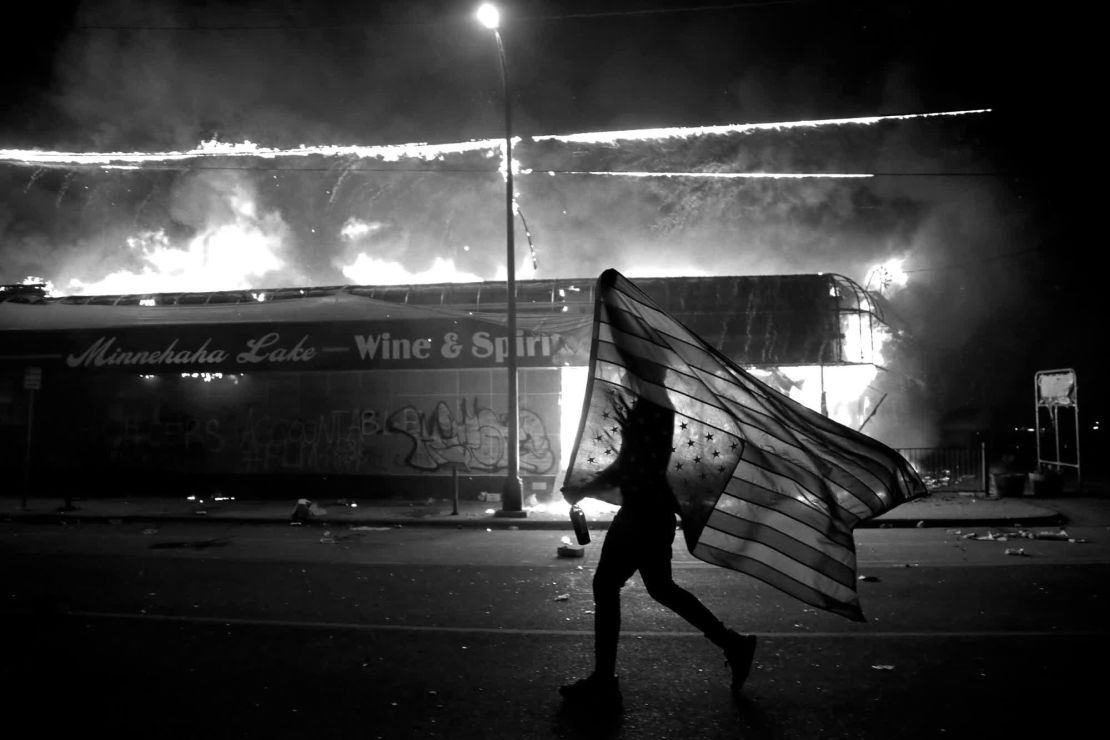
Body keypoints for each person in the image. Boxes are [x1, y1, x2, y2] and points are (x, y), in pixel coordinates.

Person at [559, 387, 757, 709]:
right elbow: (630, 463)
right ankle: (732, 644)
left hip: (642, 514)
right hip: (652, 512)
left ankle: (604, 682)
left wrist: (586, 488)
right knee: (660, 588)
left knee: (607, 585)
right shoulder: (654, 404)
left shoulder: (651, 407)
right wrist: (588, 487)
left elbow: (630, 466)